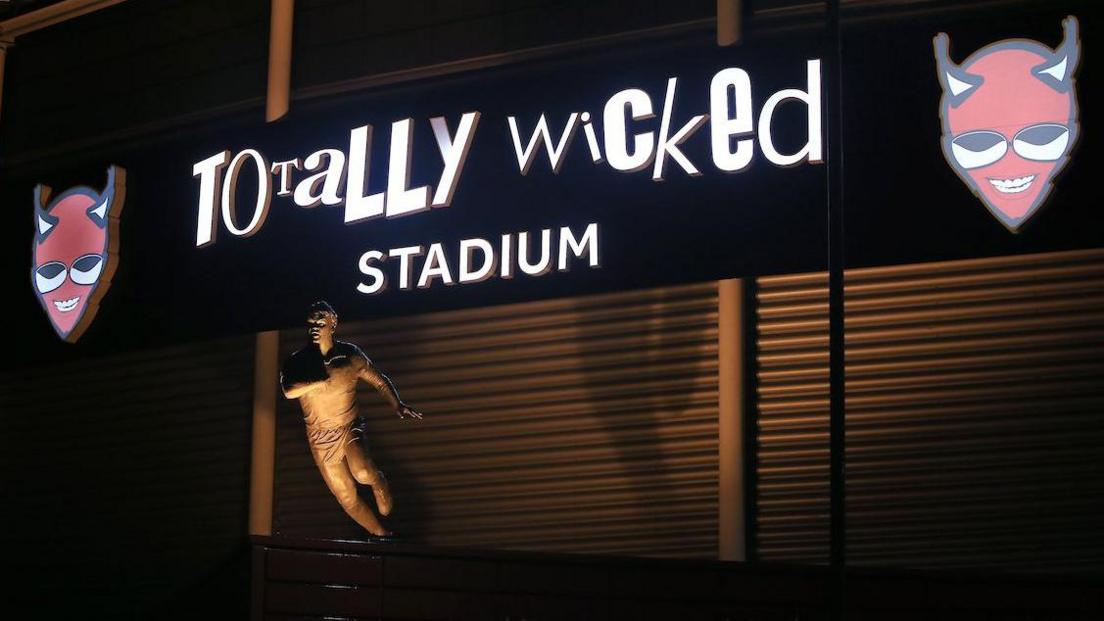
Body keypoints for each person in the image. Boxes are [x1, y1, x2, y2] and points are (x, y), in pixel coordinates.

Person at [280, 301, 422, 536]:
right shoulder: (297, 361)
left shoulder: (350, 355)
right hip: (319, 436)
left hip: (348, 425)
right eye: (312, 322)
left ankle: (378, 481)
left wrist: (397, 404)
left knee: (363, 472)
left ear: (332, 323)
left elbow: (378, 379)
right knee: (345, 496)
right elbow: (288, 390)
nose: (315, 325)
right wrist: (318, 381)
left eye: (321, 320)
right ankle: (381, 535)